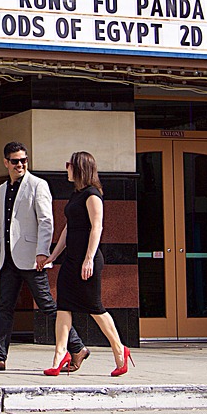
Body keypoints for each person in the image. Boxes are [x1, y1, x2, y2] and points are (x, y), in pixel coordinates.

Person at [0, 142, 89, 372]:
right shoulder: (2, 189)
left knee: (47, 306)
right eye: (15, 161)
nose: (20, 164)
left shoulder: (38, 185)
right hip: (9, 259)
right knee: (4, 306)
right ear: (6, 163)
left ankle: (78, 347)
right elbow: (3, 227)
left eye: (24, 160)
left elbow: (46, 221)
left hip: (32, 257)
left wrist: (43, 252)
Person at [43, 151, 132, 377]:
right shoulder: (76, 195)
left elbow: (97, 227)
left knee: (95, 308)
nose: (66, 169)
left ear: (80, 168)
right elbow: (68, 228)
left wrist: (89, 258)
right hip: (71, 259)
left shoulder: (92, 195)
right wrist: (54, 255)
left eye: (69, 165)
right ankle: (59, 355)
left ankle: (120, 350)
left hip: (87, 260)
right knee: (63, 306)